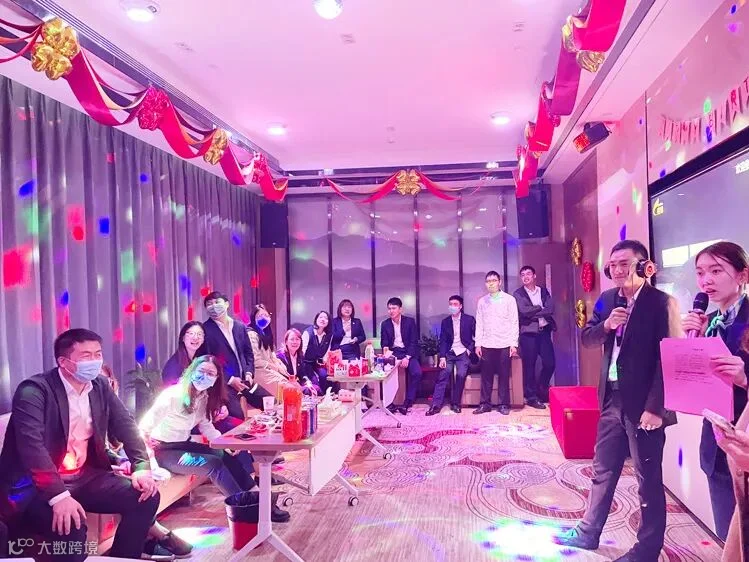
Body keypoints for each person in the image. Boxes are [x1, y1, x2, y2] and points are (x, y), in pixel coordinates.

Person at [556, 240, 681, 561]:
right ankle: (588, 533)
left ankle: (647, 550)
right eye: (612, 265)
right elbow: (587, 337)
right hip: (611, 399)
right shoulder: (608, 299)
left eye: (625, 263)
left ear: (644, 266)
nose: (617, 270)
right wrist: (607, 325)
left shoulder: (662, 303)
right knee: (603, 469)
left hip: (645, 405)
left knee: (647, 480)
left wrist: (657, 407)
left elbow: (669, 361)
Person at [0, 329, 160, 562]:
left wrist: (141, 466)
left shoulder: (100, 385)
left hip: (83, 477)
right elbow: (31, 447)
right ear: (64, 362)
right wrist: (58, 496)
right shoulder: (33, 391)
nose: (95, 361)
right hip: (36, 486)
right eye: (86, 356)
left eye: (98, 354)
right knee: (70, 526)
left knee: (145, 496)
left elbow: (125, 424)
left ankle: (124, 558)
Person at [139, 355, 289, 522]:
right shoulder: (172, 396)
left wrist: (224, 444)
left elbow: (206, 426)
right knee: (213, 464)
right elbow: (143, 429)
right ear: (191, 371)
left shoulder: (203, 397)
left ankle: (259, 499)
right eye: (201, 371)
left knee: (225, 455)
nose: (204, 376)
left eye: (210, 374)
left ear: (216, 379)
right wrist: (150, 464)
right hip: (163, 451)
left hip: (183, 445)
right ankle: (245, 509)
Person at [681, 241, 749, 541]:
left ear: (742, 275)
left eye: (716, 270)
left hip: (746, 442)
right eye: (700, 273)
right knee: (728, 537)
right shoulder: (707, 323)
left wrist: (745, 378)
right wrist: (690, 344)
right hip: (717, 444)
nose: (706, 280)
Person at [100, 364, 194, 559]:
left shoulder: (113, 408)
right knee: (140, 490)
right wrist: (115, 464)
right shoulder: (80, 410)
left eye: (106, 381)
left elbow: (120, 443)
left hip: (118, 462)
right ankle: (156, 534)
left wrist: (124, 461)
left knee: (147, 484)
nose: (101, 385)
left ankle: (145, 540)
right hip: (94, 473)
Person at [202, 292, 270, 418]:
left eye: (217, 302)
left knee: (270, 402)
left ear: (227, 304)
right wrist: (230, 380)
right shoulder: (205, 330)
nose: (213, 306)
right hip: (224, 385)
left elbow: (248, 353)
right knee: (237, 417)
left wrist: (249, 373)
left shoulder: (239, 326)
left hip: (245, 381)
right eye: (209, 304)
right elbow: (207, 361)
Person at [473, 271, 519, 416]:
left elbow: (514, 322)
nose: (491, 283)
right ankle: (485, 404)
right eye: (488, 281)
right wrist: (478, 344)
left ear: (500, 282)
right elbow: (479, 323)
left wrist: (513, 344)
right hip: (486, 344)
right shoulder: (482, 301)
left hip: (504, 343)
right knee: (486, 376)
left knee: (504, 375)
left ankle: (503, 404)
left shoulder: (509, 300)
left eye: (494, 280)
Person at [514, 265, 556, 408]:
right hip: (528, 334)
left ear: (534, 276)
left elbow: (550, 309)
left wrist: (533, 313)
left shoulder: (543, 291)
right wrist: (539, 307)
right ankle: (531, 397)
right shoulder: (518, 293)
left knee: (550, 363)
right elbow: (523, 311)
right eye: (523, 275)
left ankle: (541, 388)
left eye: (528, 274)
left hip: (544, 332)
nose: (525, 277)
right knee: (529, 366)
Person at [429, 295, 475, 415]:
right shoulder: (446, 322)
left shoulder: (469, 319)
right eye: (450, 304)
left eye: (455, 304)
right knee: (444, 374)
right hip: (449, 353)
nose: (452, 307)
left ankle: (455, 403)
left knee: (461, 374)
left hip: (463, 352)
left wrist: (469, 350)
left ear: (460, 306)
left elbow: (476, 337)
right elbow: (443, 340)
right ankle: (435, 405)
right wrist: (442, 357)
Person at [380, 297, 423, 415]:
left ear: (400, 309)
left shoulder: (410, 322)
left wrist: (407, 357)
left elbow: (414, 342)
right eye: (389, 309)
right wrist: (386, 350)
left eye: (394, 308)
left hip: (408, 352)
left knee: (417, 373)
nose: (391, 311)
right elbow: (384, 342)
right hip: (394, 352)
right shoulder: (385, 324)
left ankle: (407, 402)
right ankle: (389, 403)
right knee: (386, 374)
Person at [249, 304, 295, 398]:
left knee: (292, 387)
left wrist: (280, 367)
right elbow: (255, 360)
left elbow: (272, 356)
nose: (264, 318)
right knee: (289, 390)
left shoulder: (265, 334)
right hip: (258, 372)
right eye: (260, 316)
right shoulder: (252, 334)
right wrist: (272, 366)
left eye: (266, 315)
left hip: (269, 370)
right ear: (254, 318)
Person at [278, 328, 321, 395]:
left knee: (315, 388)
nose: (295, 342)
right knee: (309, 391)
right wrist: (297, 386)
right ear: (286, 342)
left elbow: (302, 374)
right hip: (286, 386)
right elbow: (281, 377)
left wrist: (308, 383)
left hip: (297, 384)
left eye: (297, 339)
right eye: (292, 339)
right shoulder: (280, 356)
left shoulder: (300, 356)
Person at [162, 321, 206, 386]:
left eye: (199, 334)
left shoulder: (201, 359)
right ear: (183, 338)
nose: (195, 338)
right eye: (191, 334)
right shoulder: (174, 366)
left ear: (203, 339)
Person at [302, 311, 334, 393]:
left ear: (328, 322)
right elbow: (302, 350)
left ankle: (323, 395)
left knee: (324, 375)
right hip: (306, 362)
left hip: (317, 362)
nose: (323, 319)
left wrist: (325, 362)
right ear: (316, 319)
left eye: (326, 318)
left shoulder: (328, 335)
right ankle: (320, 396)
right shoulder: (308, 332)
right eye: (320, 317)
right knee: (314, 381)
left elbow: (328, 349)